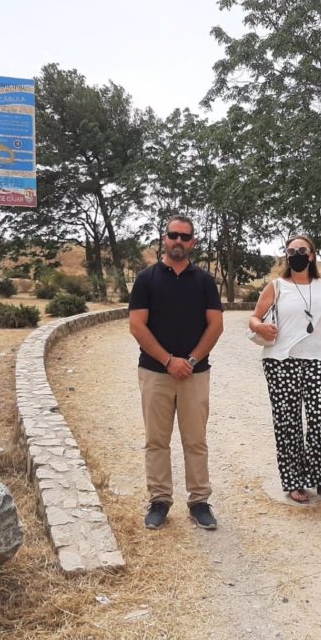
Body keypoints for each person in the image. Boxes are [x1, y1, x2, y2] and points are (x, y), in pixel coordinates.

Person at [129, 216, 224, 531]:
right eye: (173, 235)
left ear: (193, 242)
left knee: (196, 441)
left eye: (185, 236)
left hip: (195, 375)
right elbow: (137, 325)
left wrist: (192, 360)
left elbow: (216, 326)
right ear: (164, 239)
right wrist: (170, 361)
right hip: (155, 373)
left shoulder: (205, 282)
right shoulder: (146, 279)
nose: (179, 241)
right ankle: (159, 500)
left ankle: (199, 501)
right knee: (157, 441)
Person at [249, 235, 321, 503]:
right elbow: (254, 316)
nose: (297, 254)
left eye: (302, 250)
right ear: (286, 256)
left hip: (318, 361)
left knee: (320, 421)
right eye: (291, 251)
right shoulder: (276, 286)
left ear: (312, 255)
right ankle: (294, 481)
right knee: (288, 422)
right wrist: (259, 326)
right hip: (281, 361)